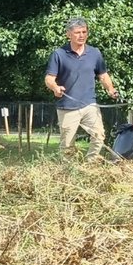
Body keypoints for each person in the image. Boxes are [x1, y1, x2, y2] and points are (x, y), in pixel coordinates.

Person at [44, 17, 118, 159]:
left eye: (84, 32)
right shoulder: (59, 54)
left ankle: (90, 165)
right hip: (67, 107)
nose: (82, 35)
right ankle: (69, 172)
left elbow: (103, 75)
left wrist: (110, 89)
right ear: (68, 34)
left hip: (89, 104)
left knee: (99, 136)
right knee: (67, 146)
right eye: (77, 32)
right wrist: (55, 87)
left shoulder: (95, 53)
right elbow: (49, 79)